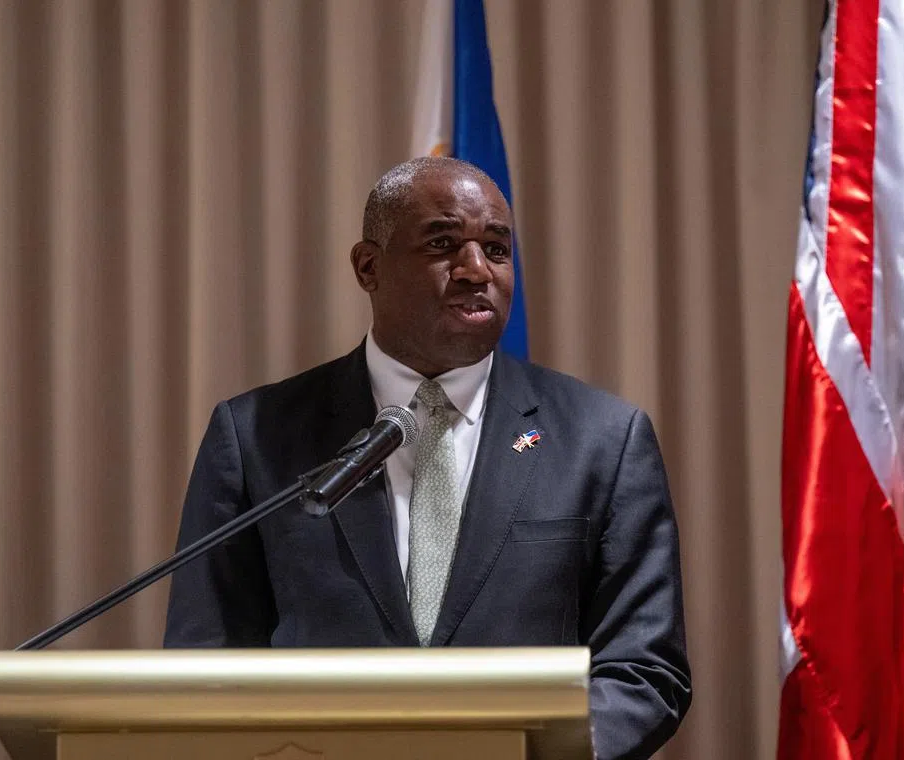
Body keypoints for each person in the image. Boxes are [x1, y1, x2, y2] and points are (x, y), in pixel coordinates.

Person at [164, 157, 691, 759]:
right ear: (368, 267)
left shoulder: (604, 438)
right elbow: (206, 657)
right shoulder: (256, 434)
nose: (475, 270)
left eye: (496, 248)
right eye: (443, 243)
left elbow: (645, 671)